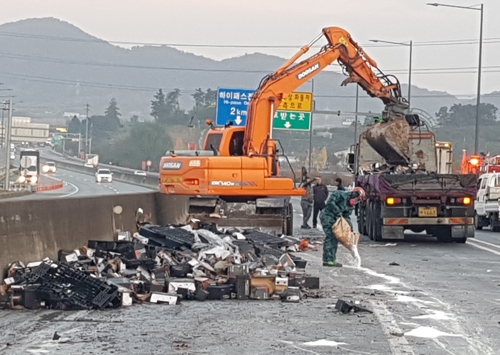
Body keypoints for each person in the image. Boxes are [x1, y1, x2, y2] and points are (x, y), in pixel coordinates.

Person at [320, 187, 366, 267]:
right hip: (328, 216)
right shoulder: (339, 194)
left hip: (336, 220)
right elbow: (330, 203)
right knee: (331, 236)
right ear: (354, 194)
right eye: (357, 199)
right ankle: (328, 260)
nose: (356, 201)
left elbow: (346, 216)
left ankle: (331, 259)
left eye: (358, 201)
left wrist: (350, 228)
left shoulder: (350, 206)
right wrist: (338, 212)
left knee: (335, 237)